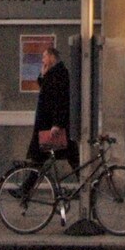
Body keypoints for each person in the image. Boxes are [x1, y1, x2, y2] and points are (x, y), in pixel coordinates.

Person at [26, 42, 80, 175]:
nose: (42, 60)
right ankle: (25, 189)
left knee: (40, 158)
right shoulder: (52, 73)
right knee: (43, 158)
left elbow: (60, 100)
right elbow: (46, 90)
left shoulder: (59, 74)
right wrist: (43, 75)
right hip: (50, 124)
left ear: (51, 57)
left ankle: (25, 190)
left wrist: (57, 123)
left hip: (52, 126)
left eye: (44, 57)